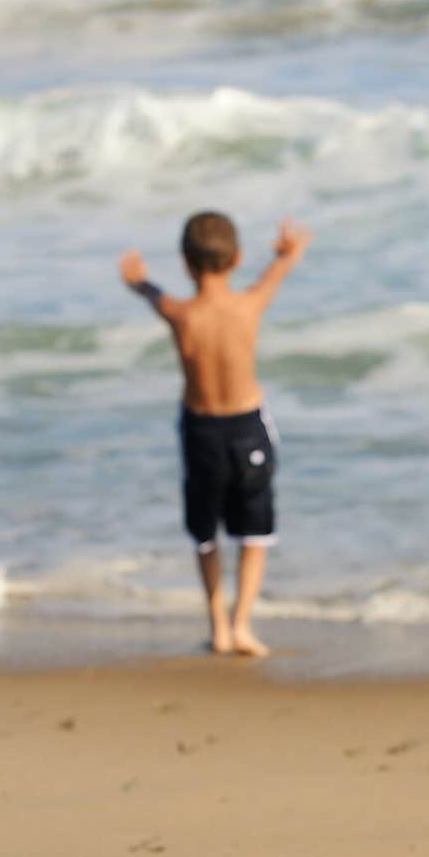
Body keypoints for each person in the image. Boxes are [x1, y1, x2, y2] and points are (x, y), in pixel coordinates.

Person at [119, 211, 312, 656]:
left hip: (201, 430)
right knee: (255, 532)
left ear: (186, 264)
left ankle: (218, 626)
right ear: (238, 258)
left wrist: (139, 281)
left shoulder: (181, 314)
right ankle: (242, 623)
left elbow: (153, 296)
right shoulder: (250, 304)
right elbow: (276, 275)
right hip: (247, 427)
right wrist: (288, 253)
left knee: (206, 534)